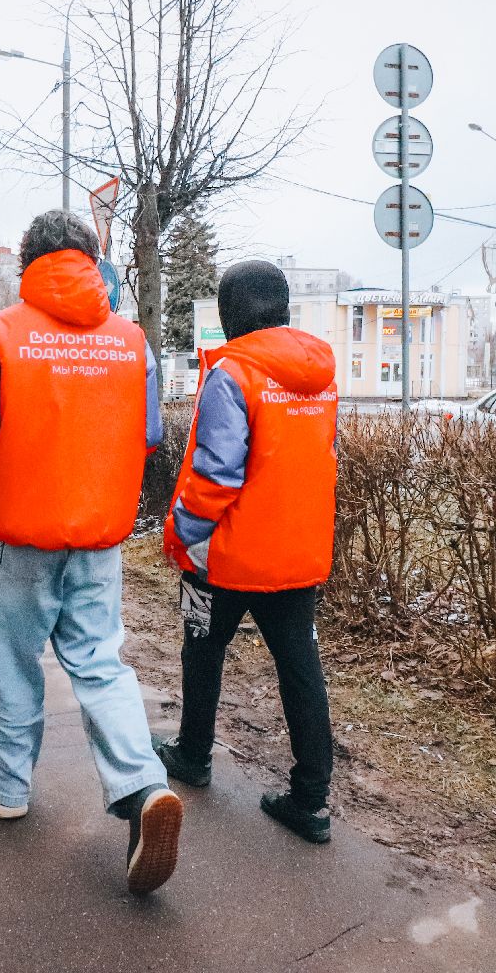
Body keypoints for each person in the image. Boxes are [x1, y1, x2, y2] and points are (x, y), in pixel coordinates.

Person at [0, 208, 183, 895]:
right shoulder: (130, 340)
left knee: (15, 662)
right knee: (102, 665)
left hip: (25, 535)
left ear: (30, 262)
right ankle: (142, 790)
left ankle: (7, 786)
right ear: (91, 258)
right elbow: (145, 436)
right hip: (99, 537)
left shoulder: (1, 333)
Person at [153, 260, 340, 844]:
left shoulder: (233, 375)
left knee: (202, 650)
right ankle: (310, 802)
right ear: (282, 308)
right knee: (301, 671)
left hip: (226, 557)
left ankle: (193, 754)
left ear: (229, 313)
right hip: (297, 554)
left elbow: (215, 475)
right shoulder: (322, 374)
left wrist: (179, 533)